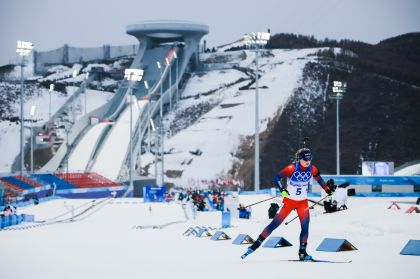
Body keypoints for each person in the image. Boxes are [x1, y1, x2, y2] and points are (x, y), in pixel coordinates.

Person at [241, 148, 333, 261]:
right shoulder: (292, 168)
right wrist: (282, 190)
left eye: (309, 159)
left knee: (305, 228)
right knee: (274, 224)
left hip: (302, 203)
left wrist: (327, 189)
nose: (308, 161)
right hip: (289, 202)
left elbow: (319, 179)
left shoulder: (312, 169)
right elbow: (277, 177)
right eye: (305, 159)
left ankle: (302, 252)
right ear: (300, 159)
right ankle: (255, 245)